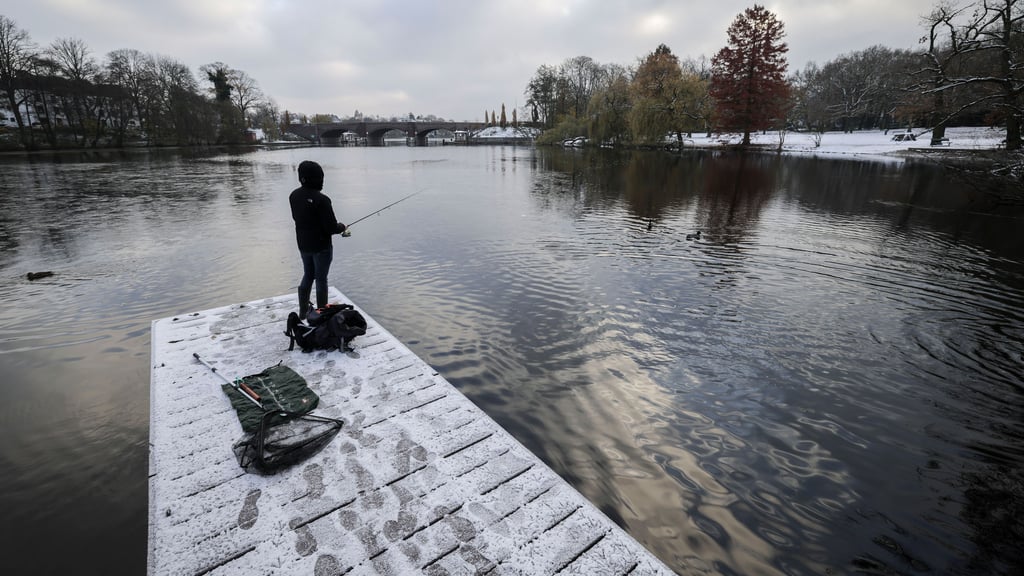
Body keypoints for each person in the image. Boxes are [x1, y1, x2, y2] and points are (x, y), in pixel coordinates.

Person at [289, 160, 347, 318]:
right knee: (321, 279)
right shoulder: (322, 200)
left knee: (308, 274)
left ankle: (303, 311)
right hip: (322, 247)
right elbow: (331, 227)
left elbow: (298, 218)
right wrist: (342, 226)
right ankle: (322, 314)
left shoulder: (293, 196)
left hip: (303, 244)